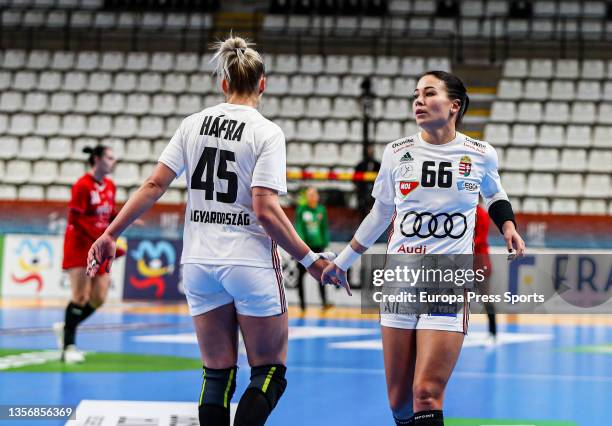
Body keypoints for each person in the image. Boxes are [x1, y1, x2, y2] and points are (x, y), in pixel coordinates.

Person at [86, 36, 346, 426]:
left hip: (199, 263)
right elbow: (265, 209)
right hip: (248, 262)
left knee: (216, 374)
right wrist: (310, 259)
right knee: (270, 373)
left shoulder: (192, 124)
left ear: (223, 84)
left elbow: (154, 185)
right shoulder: (266, 132)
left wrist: (110, 233)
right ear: (263, 83)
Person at [322, 70, 525, 426]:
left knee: (426, 393)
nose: (419, 100)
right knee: (399, 402)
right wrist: (342, 260)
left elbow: (495, 193)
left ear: (454, 106)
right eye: (416, 94)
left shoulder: (479, 153)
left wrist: (507, 225)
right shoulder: (396, 152)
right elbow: (379, 214)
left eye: (429, 94)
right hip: (400, 280)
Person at [53, 145, 119, 363]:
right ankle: (69, 346)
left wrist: (124, 221)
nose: (113, 161)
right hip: (80, 245)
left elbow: (109, 214)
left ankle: (66, 327)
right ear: (97, 159)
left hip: (98, 245)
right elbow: (76, 220)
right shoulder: (82, 186)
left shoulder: (110, 185)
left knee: (99, 298)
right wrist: (101, 241)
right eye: (110, 157)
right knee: (80, 296)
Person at [294, 186, 331, 311]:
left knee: (322, 275)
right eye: (309, 195)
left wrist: (325, 243)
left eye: (314, 194)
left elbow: (324, 228)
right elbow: (299, 228)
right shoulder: (301, 210)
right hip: (305, 248)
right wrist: (302, 246)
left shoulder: (321, 210)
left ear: (317, 197)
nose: (312, 197)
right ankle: (302, 305)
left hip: (318, 247)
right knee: (300, 276)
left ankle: (324, 302)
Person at [474, 201, 497, 346]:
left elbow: (480, 238)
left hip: (479, 261)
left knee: (486, 297)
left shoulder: (481, 214)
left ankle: (493, 332)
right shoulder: (463, 211)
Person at [354, 145, 381, 220]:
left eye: (371, 152)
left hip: (375, 191)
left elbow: (382, 179)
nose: (370, 153)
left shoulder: (378, 165)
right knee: (362, 207)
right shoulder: (360, 165)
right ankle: (362, 223)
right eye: (369, 152)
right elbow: (355, 179)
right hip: (363, 191)